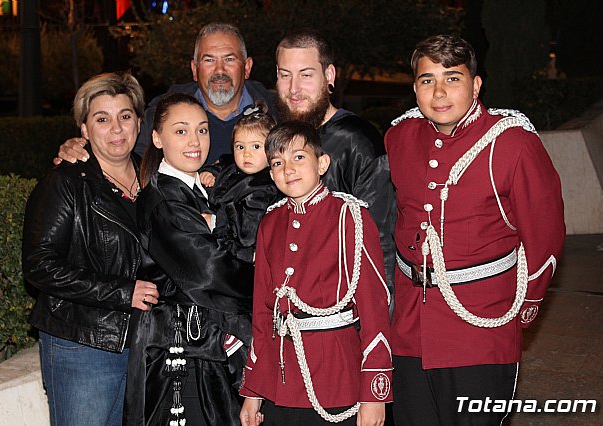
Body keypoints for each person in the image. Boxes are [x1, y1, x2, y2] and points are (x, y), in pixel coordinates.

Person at [384, 35, 565, 425]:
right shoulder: (399, 137)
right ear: (414, 87)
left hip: (479, 327)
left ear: (476, 84)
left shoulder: (512, 143)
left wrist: (525, 303)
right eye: (427, 80)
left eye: (452, 78)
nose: (439, 92)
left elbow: (544, 232)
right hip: (410, 328)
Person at [22, 72, 159, 426]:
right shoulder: (66, 181)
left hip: (144, 342)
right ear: (84, 129)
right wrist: (121, 292)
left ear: (139, 123)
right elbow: (39, 264)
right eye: (102, 118)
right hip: (83, 344)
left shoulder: (156, 178)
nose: (116, 128)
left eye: (125, 116)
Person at [239, 121, 393, 426]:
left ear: (322, 163)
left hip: (337, 379)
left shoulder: (350, 217)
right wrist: (253, 390)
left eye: (299, 157)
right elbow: (262, 314)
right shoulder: (269, 224)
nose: (288, 169)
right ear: (270, 174)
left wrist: (374, 393)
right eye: (278, 163)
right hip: (281, 383)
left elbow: (374, 310)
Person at [124, 92, 255, 426]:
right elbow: (209, 271)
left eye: (202, 130)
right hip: (183, 352)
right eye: (181, 131)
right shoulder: (165, 199)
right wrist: (269, 285)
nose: (195, 141)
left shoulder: (203, 188)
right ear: (156, 138)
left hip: (208, 346)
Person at [274, 29, 396, 308]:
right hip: (290, 308)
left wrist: (374, 328)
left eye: (305, 75)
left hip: (344, 313)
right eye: (284, 75)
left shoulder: (357, 140)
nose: (293, 89)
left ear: (328, 76)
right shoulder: (276, 140)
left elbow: (379, 244)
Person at [56, 22, 276, 165]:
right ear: (194, 69)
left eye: (229, 59)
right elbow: (124, 158)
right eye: (209, 60)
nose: (219, 71)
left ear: (246, 67)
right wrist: (84, 152)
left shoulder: (278, 112)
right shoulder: (162, 114)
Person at [200, 99, 282, 263]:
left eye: (256, 147)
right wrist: (211, 172)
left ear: (272, 150)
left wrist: (216, 221)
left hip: (241, 258)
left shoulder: (264, 187)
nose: (246, 154)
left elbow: (246, 235)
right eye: (240, 147)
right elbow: (225, 163)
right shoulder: (236, 165)